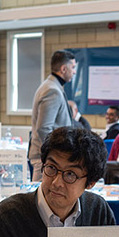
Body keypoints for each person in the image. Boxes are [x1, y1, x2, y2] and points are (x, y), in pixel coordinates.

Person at [30, 50, 82, 180]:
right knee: (44, 199)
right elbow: (44, 128)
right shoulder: (52, 90)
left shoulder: (52, 86)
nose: (74, 72)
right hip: (48, 159)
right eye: (73, 67)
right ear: (63, 69)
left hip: (50, 158)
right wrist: (57, 154)